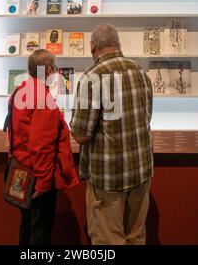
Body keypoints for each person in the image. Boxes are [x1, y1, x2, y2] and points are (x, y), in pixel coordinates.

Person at [70, 24, 154, 245]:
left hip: (109, 178)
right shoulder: (141, 72)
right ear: (118, 44)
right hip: (141, 173)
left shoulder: (92, 77)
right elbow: (147, 117)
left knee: (108, 241)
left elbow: (80, 135)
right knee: (137, 236)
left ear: (92, 47)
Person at [7, 49, 79, 245]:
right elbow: (41, 145)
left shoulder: (19, 91)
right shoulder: (43, 98)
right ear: (48, 71)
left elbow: (16, 133)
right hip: (37, 176)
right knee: (40, 232)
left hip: (21, 169)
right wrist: (44, 183)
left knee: (27, 225)